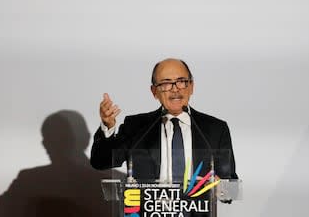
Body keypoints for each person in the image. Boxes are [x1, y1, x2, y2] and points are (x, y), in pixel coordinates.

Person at [90, 58, 238, 181]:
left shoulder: (216, 129)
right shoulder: (137, 126)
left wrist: (221, 187)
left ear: (191, 86)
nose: (175, 89)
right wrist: (107, 126)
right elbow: (100, 162)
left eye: (181, 81)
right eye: (166, 83)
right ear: (154, 91)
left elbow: (230, 182)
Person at [0, 110, 123, 217]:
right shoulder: (115, 181)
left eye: (51, 138)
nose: (46, 144)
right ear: (86, 138)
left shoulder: (32, 181)